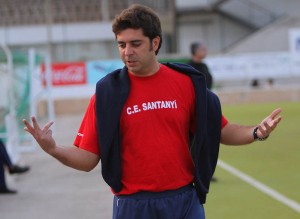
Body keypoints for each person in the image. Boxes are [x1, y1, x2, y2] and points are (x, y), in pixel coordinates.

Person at [22, 4, 282, 219]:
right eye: (121, 45)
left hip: (184, 201)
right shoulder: (107, 94)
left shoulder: (186, 83)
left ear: (155, 42)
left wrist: (257, 132)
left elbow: (221, 130)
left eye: (135, 43)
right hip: (133, 206)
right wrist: (53, 149)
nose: (127, 52)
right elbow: (88, 157)